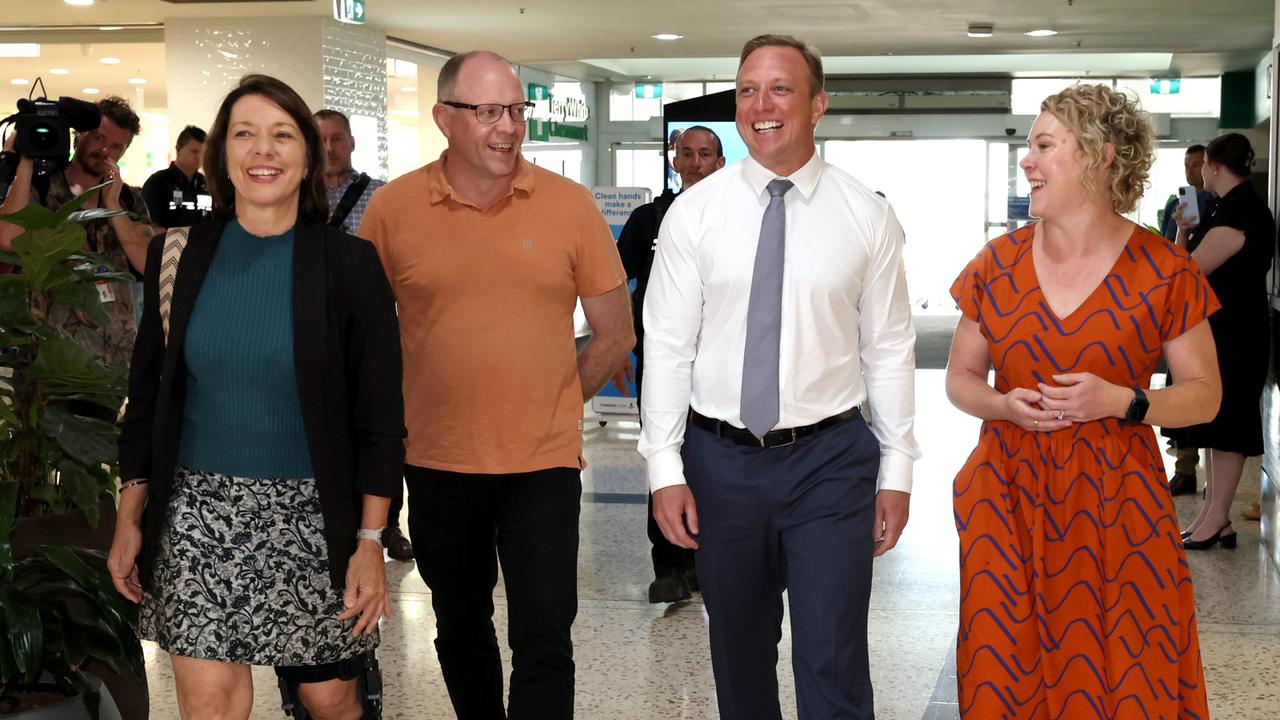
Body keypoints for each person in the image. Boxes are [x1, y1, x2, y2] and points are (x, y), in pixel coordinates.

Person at [109, 73, 406, 720]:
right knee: (210, 701)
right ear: (221, 155)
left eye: (281, 135)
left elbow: (381, 420)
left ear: (309, 155)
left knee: (330, 698)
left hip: (313, 514)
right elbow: (148, 395)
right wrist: (130, 518)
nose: (262, 151)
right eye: (244, 134)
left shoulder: (350, 266)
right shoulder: (176, 256)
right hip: (197, 511)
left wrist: (370, 540)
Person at [640, 34, 918, 719]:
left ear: (817, 104)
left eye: (780, 89)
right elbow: (669, 345)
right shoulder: (694, 215)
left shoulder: (866, 214)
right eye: (747, 91)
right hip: (721, 461)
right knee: (737, 654)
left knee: (831, 654)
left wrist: (899, 471)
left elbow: (888, 348)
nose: (761, 106)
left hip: (831, 460)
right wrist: (662, 468)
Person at [358, 51, 633, 719]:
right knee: (460, 629)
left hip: (542, 462)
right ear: (444, 118)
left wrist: (560, 401)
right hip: (436, 460)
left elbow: (615, 334)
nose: (508, 128)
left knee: (544, 634)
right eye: (489, 112)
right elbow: (361, 343)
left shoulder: (569, 207)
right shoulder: (394, 210)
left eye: (517, 111)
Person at [946, 83, 1219, 718]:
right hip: (1007, 501)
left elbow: (1205, 396)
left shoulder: (1165, 271)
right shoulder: (995, 266)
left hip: (1119, 509)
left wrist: (1127, 400)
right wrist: (1004, 406)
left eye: (1044, 145)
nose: (1028, 160)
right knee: (1003, 679)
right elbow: (961, 377)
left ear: (1101, 156)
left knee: (1127, 681)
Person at [616, 125, 724, 604]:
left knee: (713, 464)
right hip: (661, 364)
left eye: (706, 154)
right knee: (664, 455)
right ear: (674, 160)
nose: (696, 162)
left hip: (721, 369)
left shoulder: (737, 218)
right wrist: (618, 344)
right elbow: (616, 284)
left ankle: (705, 561)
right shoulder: (648, 219)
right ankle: (669, 566)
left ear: (720, 163)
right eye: (688, 153)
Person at [314, 108, 412, 562]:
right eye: (321, 140)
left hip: (372, 331)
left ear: (351, 143)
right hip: (317, 335)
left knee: (383, 425)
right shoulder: (297, 198)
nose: (330, 148)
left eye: (337, 139)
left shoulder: (382, 198)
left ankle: (388, 524)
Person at [0, 95, 154, 372]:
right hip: (47, 363)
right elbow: (8, 239)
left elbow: (148, 263)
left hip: (113, 363)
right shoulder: (42, 190)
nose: (105, 150)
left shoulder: (128, 201)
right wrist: (26, 160)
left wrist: (112, 205)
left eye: (117, 146)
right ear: (79, 134)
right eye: (98, 137)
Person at [1173, 132, 1275, 548]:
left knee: (1229, 423)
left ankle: (1217, 516)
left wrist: (1185, 240)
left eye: (1204, 166)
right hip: (1222, 330)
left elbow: (1189, 272)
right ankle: (1214, 517)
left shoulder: (1242, 210)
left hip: (1239, 332)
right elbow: (1186, 263)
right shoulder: (1224, 208)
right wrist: (1183, 229)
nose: (1200, 174)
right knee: (1215, 422)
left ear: (1215, 166)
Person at [1159, 143, 1213, 496]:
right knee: (1176, 384)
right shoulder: (1174, 204)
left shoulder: (1217, 206)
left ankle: (1189, 466)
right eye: (1186, 164)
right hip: (1178, 302)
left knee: (1196, 387)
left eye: (1196, 165)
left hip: (1204, 305)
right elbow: (1168, 251)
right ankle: (1184, 462)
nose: (1190, 171)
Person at [141, 124, 213, 233]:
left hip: (205, 247)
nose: (199, 157)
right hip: (170, 247)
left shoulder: (207, 184)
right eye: (194, 151)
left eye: (203, 152)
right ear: (178, 149)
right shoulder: (158, 183)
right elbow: (149, 226)